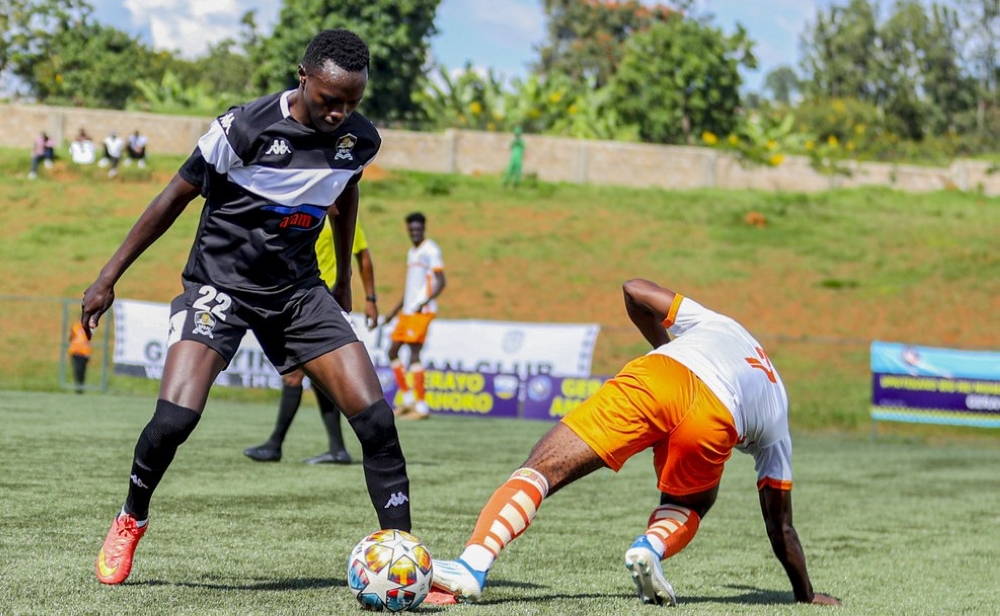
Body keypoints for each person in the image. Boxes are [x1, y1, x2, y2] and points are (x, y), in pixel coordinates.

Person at [82, 28, 411, 586]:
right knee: (174, 419)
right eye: (331, 100)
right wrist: (108, 276)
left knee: (377, 419)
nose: (340, 113)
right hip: (220, 286)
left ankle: (403, 560)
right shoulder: (244, 128)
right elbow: (172, 198)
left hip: (298, 292)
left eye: (352, 102)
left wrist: (344, 283)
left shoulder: (360, 138)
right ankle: (130, 517)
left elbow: (345, 190)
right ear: (302, 77)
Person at [430, 279, 841, 607]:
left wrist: (667, 348)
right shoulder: (778, 411)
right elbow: (780, 526)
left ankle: (473, 564)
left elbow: (634, 289)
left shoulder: (721, 324)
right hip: (716, 418)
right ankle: (650, 547)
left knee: (543, 467)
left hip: (658, 376)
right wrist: (805, 593)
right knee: (690, 503)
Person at [244, 218, 380, 465]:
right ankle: (337, 449)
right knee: (317, 377)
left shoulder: (342, 217)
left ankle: (275, 444)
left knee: (294, 374)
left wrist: (370, 298)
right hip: (299, 296)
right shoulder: (304, 211)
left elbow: (363, 256)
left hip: (323, 299)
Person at [384, 212, 445, 420]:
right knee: (392, 351)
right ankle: (408, 400)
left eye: (418, 229)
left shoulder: (431, 250)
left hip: (421, 311)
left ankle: (421, 406)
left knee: (414, 354)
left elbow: (441, 281)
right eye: (411, 229)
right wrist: (393, 311)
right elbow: (411, 286)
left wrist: (425, 302)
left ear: (424, 229)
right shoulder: (413, 252)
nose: (414, 233)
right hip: (407, 311)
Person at [68, 321, 93, 393]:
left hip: (85, 353)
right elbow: (70, 337)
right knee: (77, 370)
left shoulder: (89, 327)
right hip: (75, 352)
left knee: (82, 371)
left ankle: (80, 387)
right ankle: (78, 387)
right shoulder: (75, 326)